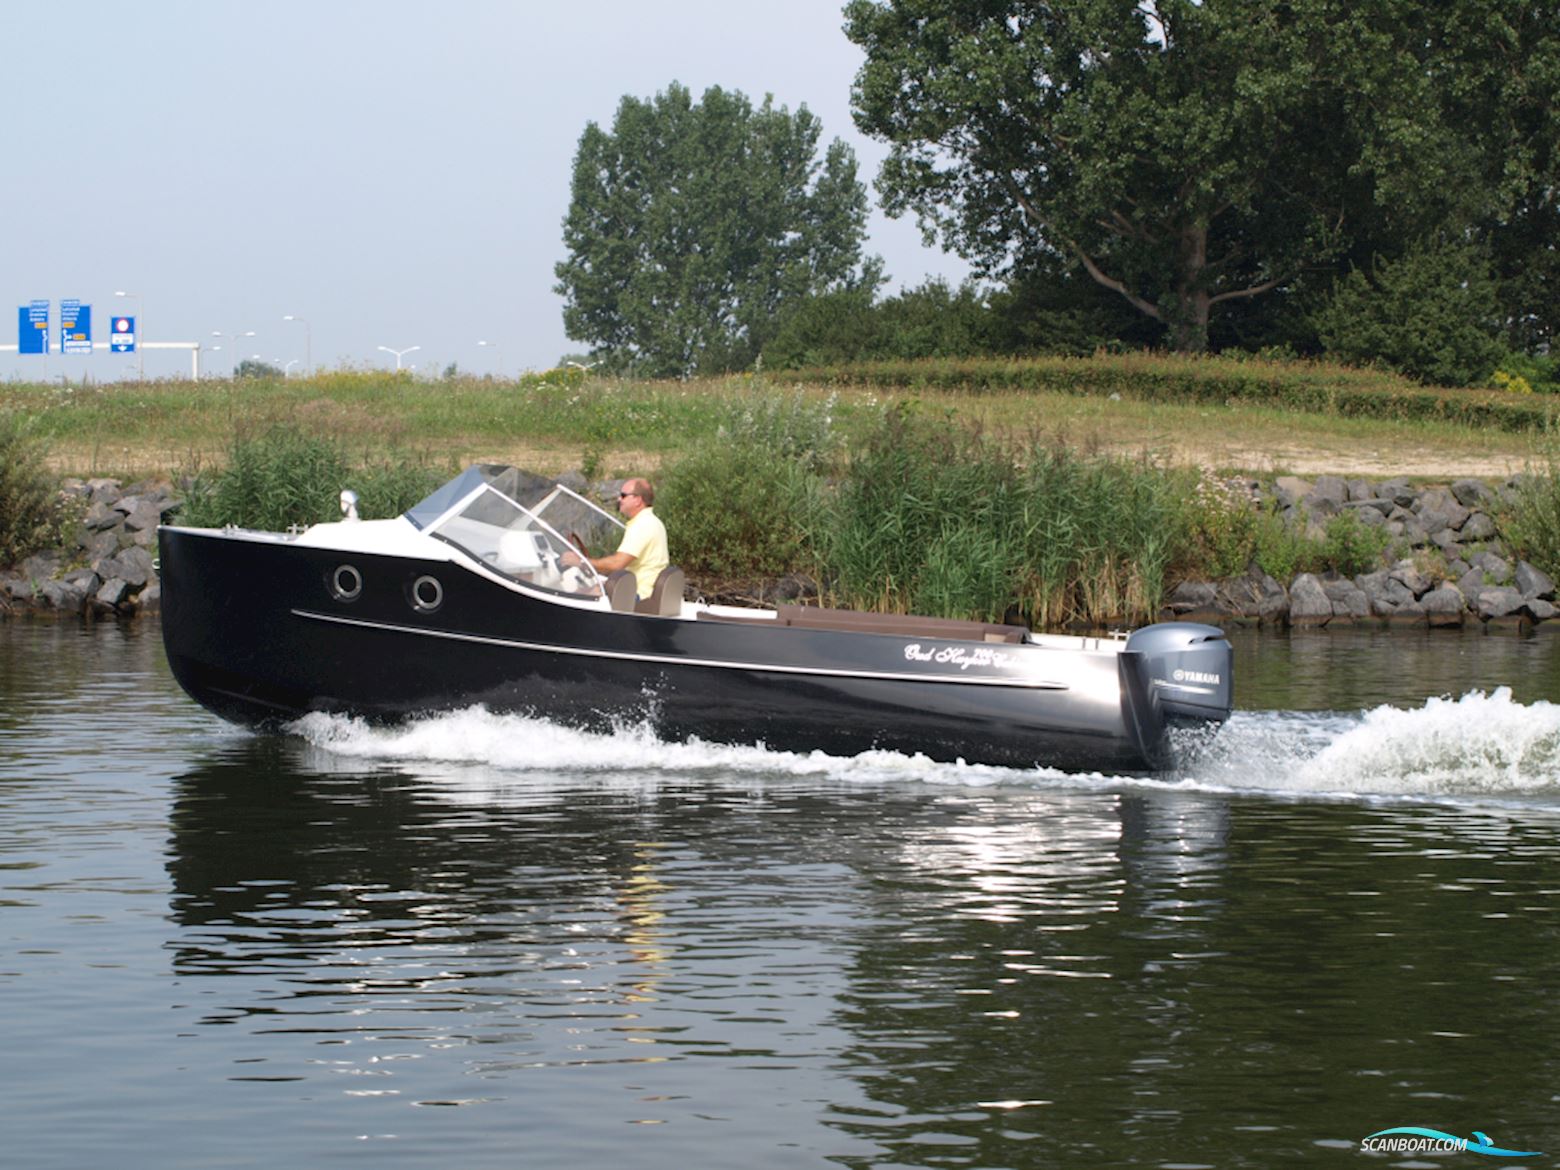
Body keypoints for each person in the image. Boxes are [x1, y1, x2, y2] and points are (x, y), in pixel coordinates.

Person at [564, 477, 668, 598]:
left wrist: (581, 562)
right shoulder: (653, 521)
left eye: (623, 495)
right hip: (645, 590)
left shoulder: (642, 525)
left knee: (578, 594)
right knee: (590, 590)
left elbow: (617, 563)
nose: (619, 499)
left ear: (637, 500)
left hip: (639, 595)